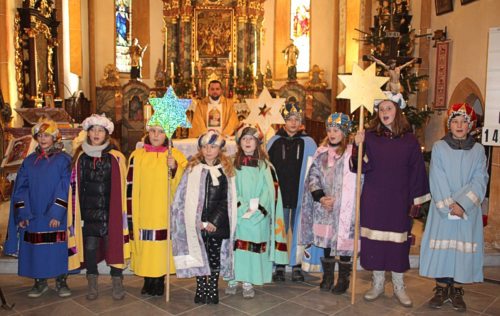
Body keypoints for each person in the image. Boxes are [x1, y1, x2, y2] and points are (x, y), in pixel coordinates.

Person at [352, 93, 430, 307]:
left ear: (398, 111)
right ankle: (377, 283)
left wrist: (416, 201)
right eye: (381, 109)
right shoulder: (369, 136)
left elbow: (417, 172)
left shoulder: (410, 140)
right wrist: (358, 146)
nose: (385, 113)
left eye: (389, 108)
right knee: (375, 242)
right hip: (374, 198)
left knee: (397, 244)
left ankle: (398, 284)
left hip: (399, 200)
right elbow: (359, 166)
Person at [419, 103, 488, 312]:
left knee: (462, 250)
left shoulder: (478, 150)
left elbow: (480, 179)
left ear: (470, 126)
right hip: (445, 210)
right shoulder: (440, 147)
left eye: (463, 122)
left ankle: (457, 290)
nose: (459, 126)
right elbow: (437, 177)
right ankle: (441, 289)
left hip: (467, 211)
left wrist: (463, 204)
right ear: (449, 125)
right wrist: (449, 205)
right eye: (455, 122)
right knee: (444, 249)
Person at [4, 118, 72, 298]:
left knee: (56, 246)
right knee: (36, 247)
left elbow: (64, 187)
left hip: (55, 214)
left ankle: (61, 280)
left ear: (55, 137)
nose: (43, 139)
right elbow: (20, 189)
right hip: (34, 214)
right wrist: (23, 213)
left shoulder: (64, 160)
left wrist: (57, 212)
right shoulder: (29, 162)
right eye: (40, 135)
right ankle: (39, 282)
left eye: (47, 135)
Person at [67, 114, 130, 301]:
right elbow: (76, 186)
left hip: (111, 211)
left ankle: (117, 281)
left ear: (106, 134)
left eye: (100, 130)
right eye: (93, 130)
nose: (96, 133)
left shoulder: (116, 157)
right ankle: (92, 282)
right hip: (88, 211)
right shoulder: (80, 157)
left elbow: (121, 186)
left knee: (114, 245)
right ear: (87, 133)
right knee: (91, 247)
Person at [171, 130, 237, 305]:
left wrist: (213, 221)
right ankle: (201, 286)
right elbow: (184, 195)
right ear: (200, 148)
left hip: (218, 224)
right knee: (199, 255)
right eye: (205, 146)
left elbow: (227, 199)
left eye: (213, 146)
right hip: (197, 223)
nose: (208, 150)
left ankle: (212, 287)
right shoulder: (192, 168)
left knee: (213, 256)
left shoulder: (225, 170)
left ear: (220, 149)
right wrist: (197, 220)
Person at [225, 124, 289, 298]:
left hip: (258, 217)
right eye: (244, 138)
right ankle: (232, 278)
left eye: (251, 139)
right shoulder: (231, 163)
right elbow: (229, 188)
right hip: (238, 215)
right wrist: (242, 208)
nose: (247, 142)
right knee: (236, 248)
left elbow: (270, 191)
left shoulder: (265, 166)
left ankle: (248, 281)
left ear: (257, 143)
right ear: (239, 142)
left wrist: (258, 211)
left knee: (252, 249)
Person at [126, 120, 187, 296]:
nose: (155, 135)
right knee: (146, 245)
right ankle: (148, 280)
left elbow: (183, 183)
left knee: (161, 246)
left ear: (166, 135)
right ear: (147, 133)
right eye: (153, 131)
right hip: (143, 207)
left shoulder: (174, 154)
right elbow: (130, 185)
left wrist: (175, 167)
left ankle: (160, 279)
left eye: (160, 132)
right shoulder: (137, 155)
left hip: (163, 207)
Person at [299, 113, 357, 294]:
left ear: (345, 132)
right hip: (325, 206)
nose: (332, 134)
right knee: (327, 242)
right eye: (330, 130)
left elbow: (359, 177)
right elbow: (313, 176)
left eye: (337, 130)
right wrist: (321, 197)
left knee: (345, 243)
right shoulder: (321, 153)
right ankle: (328, 276)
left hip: (345, 207)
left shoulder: (351, 153)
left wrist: (358, 147)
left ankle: (344, 279)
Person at [266, 102, 319, 281]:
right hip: (280, 195)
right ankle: (279, 265)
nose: (293, 123)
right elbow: (266, 168)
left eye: (297, 120)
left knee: (298, 229)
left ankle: (296, 264)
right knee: (280, 229)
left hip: (299, 195)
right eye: (289, 119)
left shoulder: (309, 142)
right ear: (283, 121)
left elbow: (314, 169)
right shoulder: (274, 141)